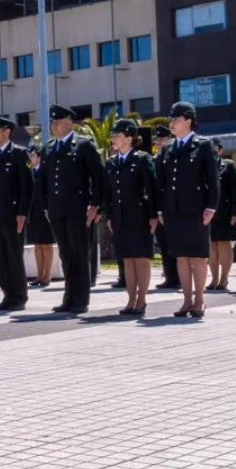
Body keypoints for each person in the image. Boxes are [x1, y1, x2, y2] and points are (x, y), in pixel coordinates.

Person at [155, 102, 220, 319]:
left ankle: (199, 299)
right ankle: (186, 300)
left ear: (189, 121)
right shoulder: (168, 148)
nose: (172, 123)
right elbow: (162, 182)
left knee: (198, 256)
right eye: (171, 119)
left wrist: (211, 206)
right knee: (181, 257)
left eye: (176, 119)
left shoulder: (203, 145)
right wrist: (161, 209)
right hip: (174, 210)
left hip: (196, 210)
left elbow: (213, 180)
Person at [40, 105, 103, 315]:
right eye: (53, 123)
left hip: (78, 209)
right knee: (66, 254)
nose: (54, 126)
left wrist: (95, 204)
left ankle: (81, 300)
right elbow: (44, 180)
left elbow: (98, 176)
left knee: (80, 253)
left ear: (69, 122)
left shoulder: (83, 145)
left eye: (58, 122)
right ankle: (69, 297)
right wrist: (45, 206)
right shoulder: (49, 148)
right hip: (57, 210)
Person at [102, 119, 160, 316]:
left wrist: (153, 215)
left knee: (141, 259)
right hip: (120, 218)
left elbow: (151, 188)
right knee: (127, 259)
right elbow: (108, 193)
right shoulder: (111, 162)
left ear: (129, 138)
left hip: (140, 216)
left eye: (117, 135)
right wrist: (109, 216)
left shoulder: (142, 159)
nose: (113, 139)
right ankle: (131, 299)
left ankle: (141, 300)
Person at [0, 116, 33, 312]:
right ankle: (7, 294)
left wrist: (22, 213)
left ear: (7, 132)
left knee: (13, 256)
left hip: (12, 215)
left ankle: (19, 296)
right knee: (1, 257)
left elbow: (27, 187)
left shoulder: (19, 153)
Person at [207, 139, 236, 291]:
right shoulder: (204, 166)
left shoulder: (228, 165)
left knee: (224, 244)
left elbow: (235, 191)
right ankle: (214, 279)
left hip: (225, 213)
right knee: (212, 246)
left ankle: (224, 279)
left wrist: (235, 213)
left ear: (220, 150)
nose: (213, 151)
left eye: (215, 148)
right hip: (208, 212)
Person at [151, 125, 180, 290]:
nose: (159, 142)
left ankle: (179, 277)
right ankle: (170, 277)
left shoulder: (174, 157)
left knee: (176, 244)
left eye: (162, 139)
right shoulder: (154, 160)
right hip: (159, 208)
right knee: (164, 245)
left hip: (173, 208)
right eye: (157, 140)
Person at [25, 146, 56, 288]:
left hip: (45, 211)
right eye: (29, 155)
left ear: (39, 156)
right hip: (33, 213)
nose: (31, 158)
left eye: (33, 155)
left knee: (47, 245)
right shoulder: (29, 172)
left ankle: (47, 275)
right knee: (37, 245)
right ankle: (40, 274)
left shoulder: (45, 171)